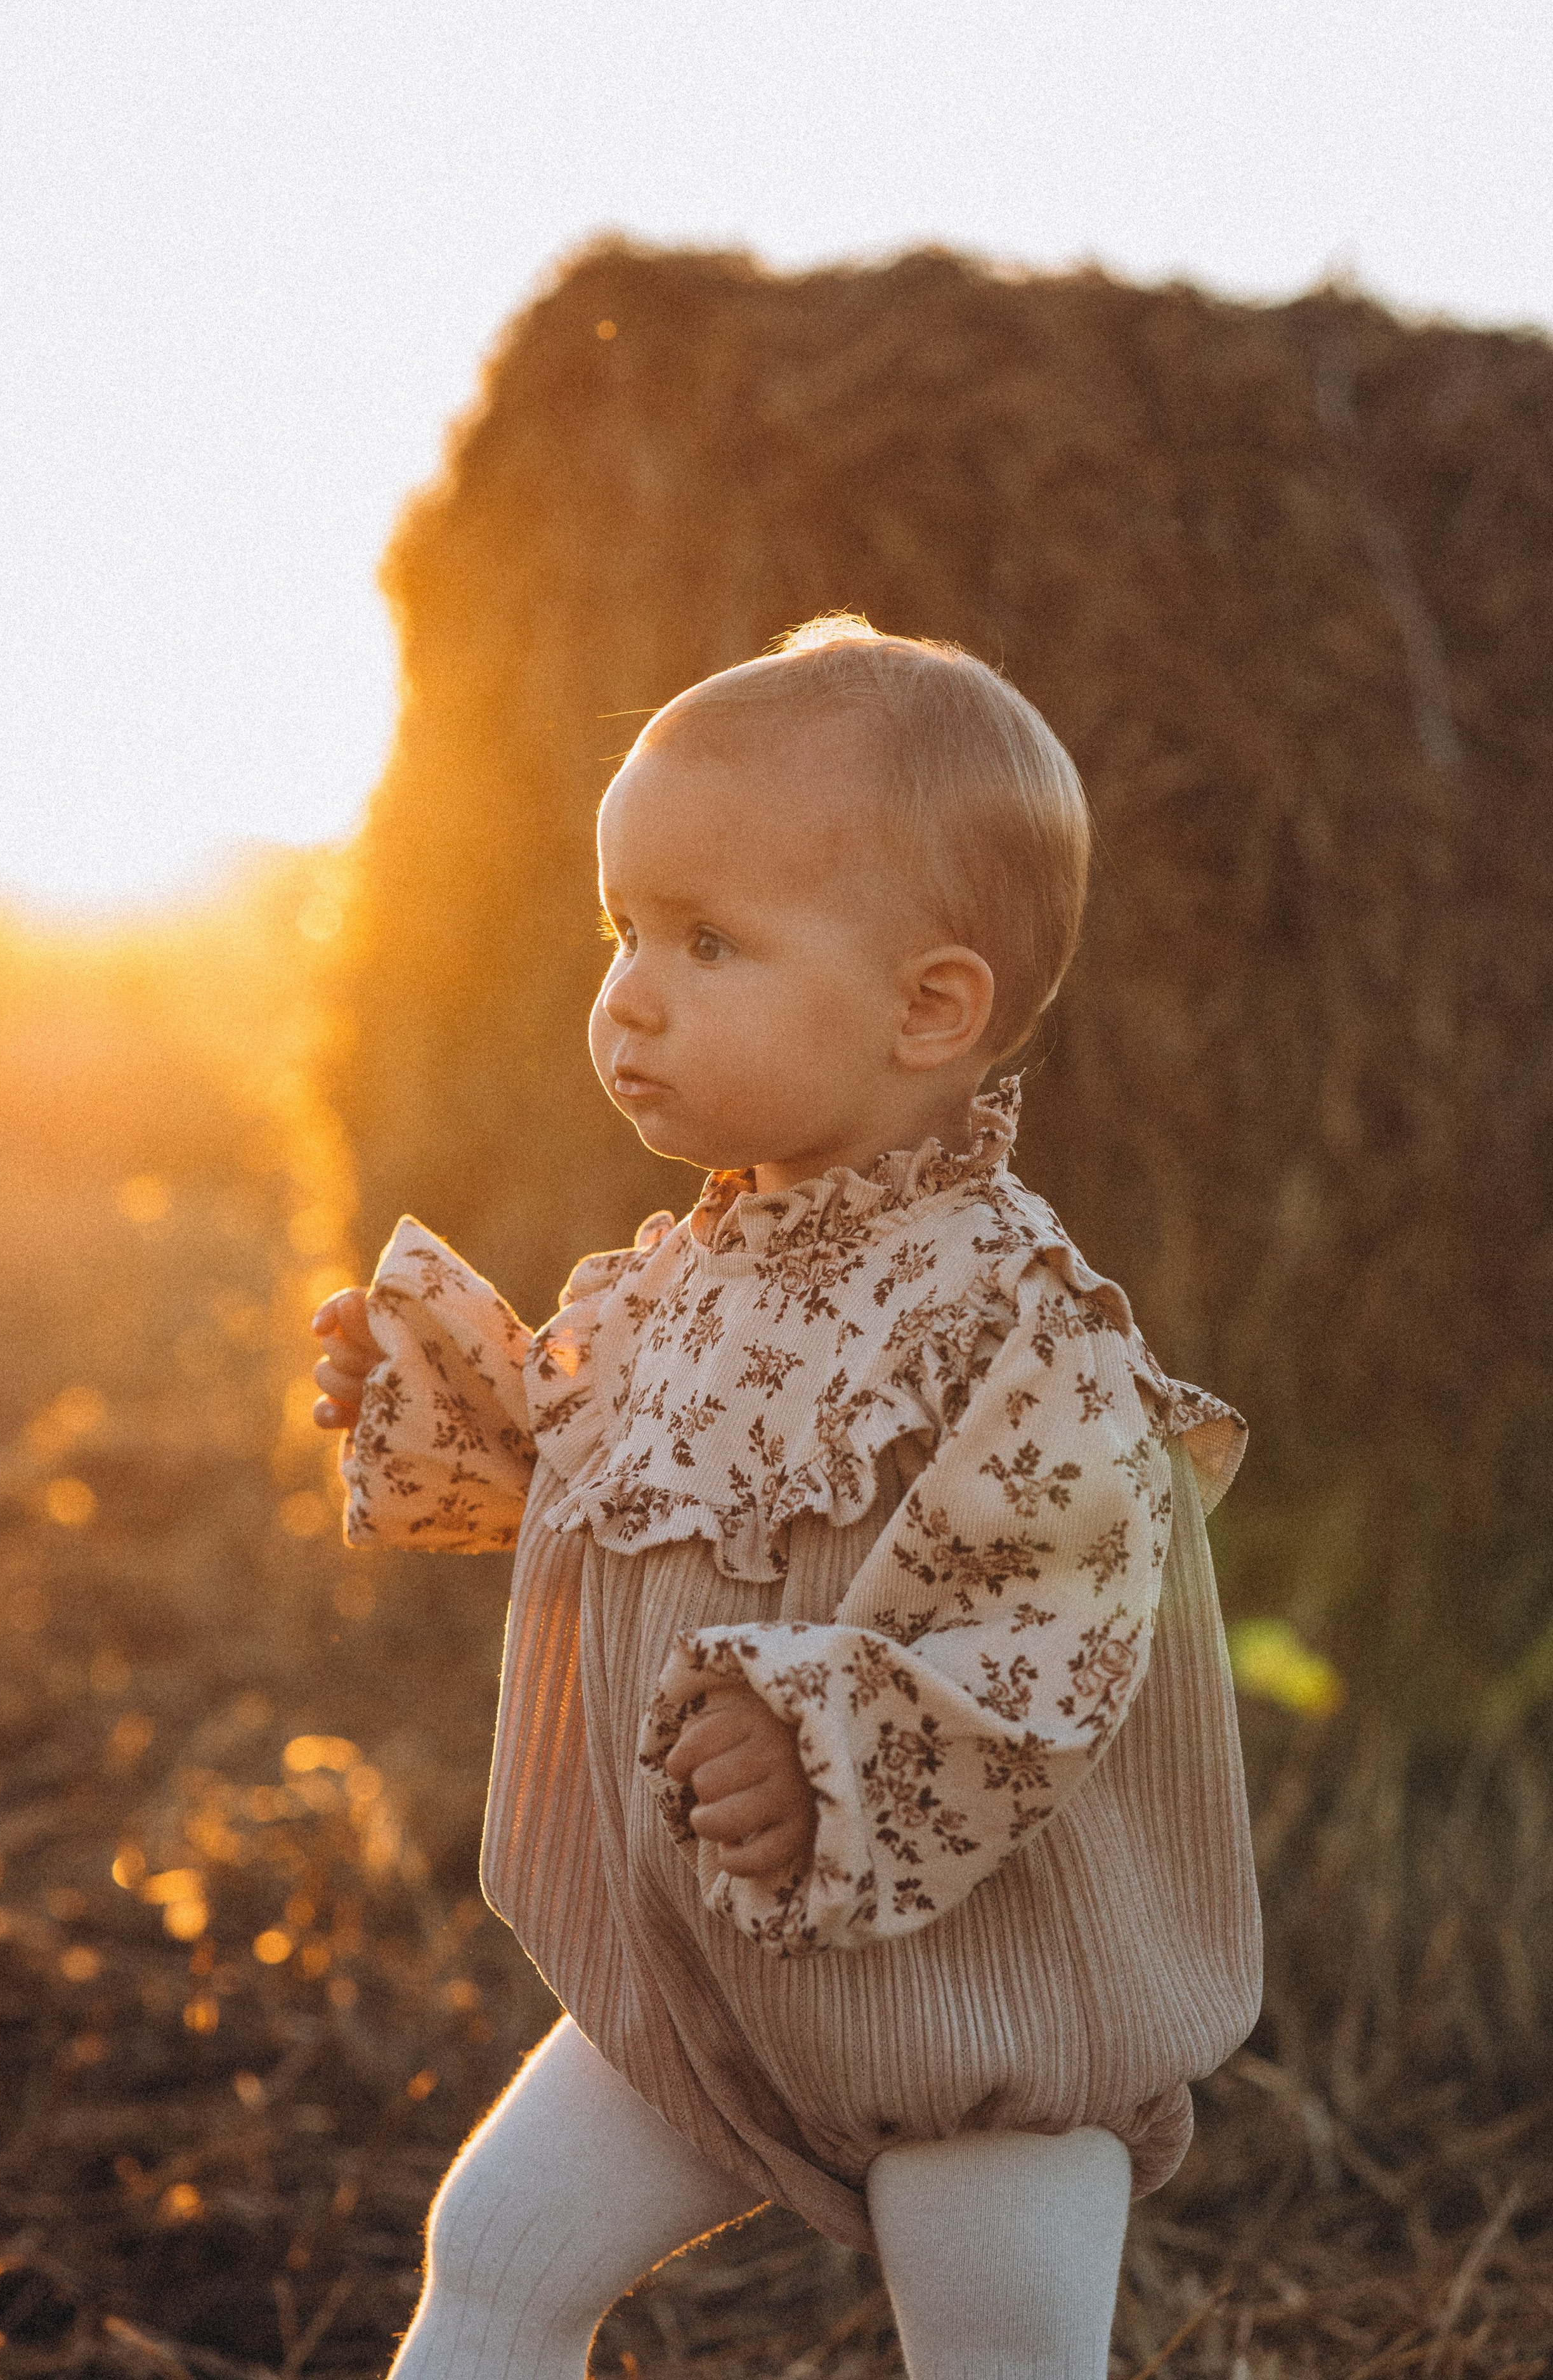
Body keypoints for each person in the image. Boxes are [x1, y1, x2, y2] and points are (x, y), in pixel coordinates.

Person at [312, 618, 1261, 2380]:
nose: (632, 993)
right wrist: (425, 1394)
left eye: (709, 940)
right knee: (499, 2254)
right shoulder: (692, 1277)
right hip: (713, 1994)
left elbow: (1047, 1642)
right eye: (623, 930)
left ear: (931, 1007)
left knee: (993, 2357)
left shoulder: (1011, 1325)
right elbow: (589, 1475)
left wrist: (820, 1729)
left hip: (967, 2029)